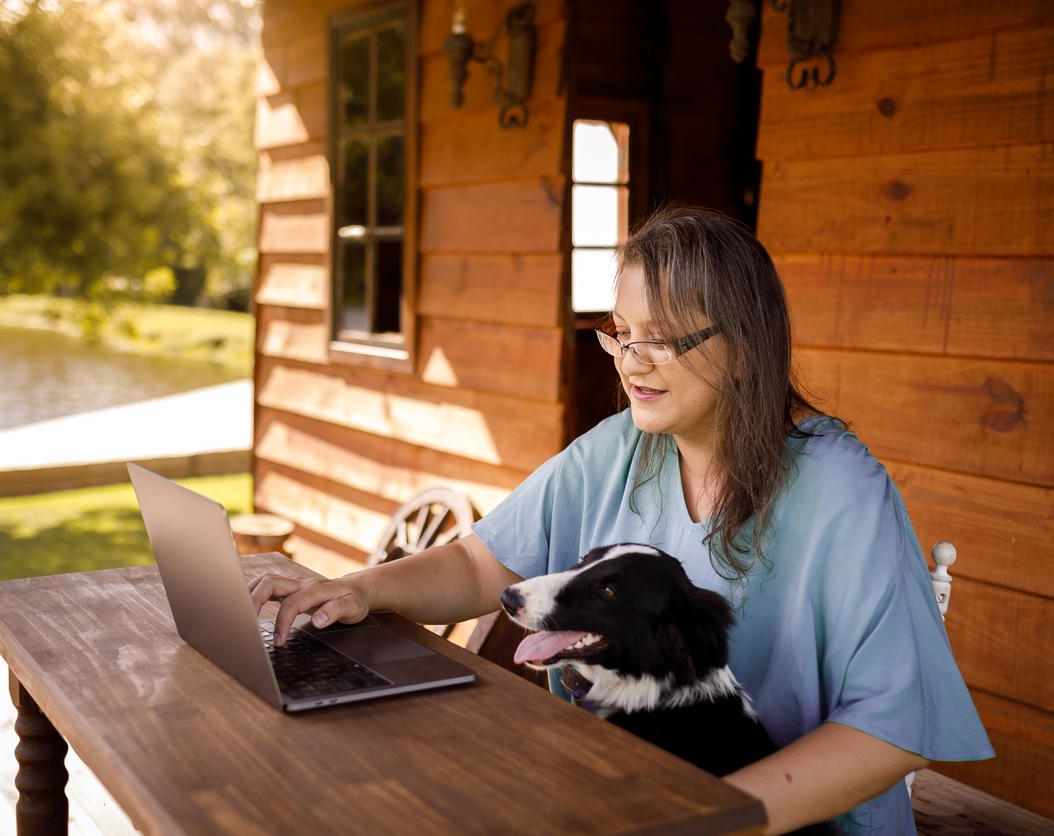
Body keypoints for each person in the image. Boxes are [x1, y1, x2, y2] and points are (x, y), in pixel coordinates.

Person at [248, 206, 993, 834]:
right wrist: (364, 589)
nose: (630, 362)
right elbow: (483, 564)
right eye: (620, 332)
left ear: (742, 350)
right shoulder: (621, 448)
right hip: (620, 799)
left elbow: (892, 730)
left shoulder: (840, 488)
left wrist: (703, 818)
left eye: (662, 338)